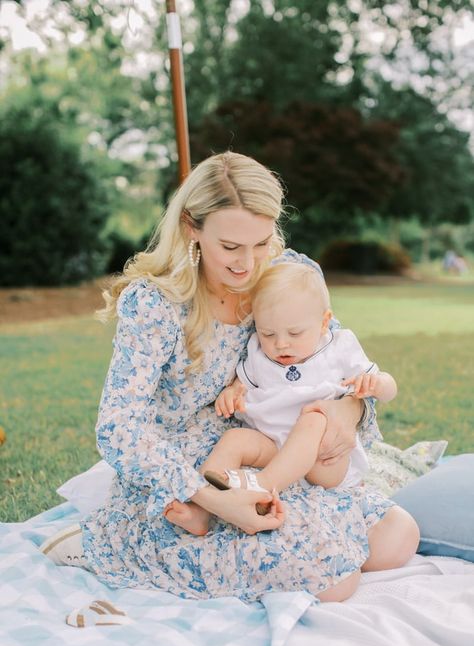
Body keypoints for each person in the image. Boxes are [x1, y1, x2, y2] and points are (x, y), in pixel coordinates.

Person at [40, 152, 419, 603]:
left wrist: (342, 410)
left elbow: (329, 358)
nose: (247, 264)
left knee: (398, 536)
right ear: (191, 228)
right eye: (230, 247)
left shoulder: (284, 275)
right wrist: (214, 499)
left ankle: (280, 529)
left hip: (269, 444)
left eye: (260, 243)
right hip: (190, 469)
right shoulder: (156, 305)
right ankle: (112, 544)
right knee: (336, 579)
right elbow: (117, 428)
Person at [165, 261, 397, 535]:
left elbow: (389, 389)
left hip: (326, 458)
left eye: (295, 333)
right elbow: (243, 381)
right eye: (268, 333)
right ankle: (203, 510)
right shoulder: (259, 353)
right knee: (234, 440)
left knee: (314, 416)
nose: (281, 344)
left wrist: (376, 383)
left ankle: (263, 484)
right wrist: (233, 392)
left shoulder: (338, 346)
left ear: (324, 322)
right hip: (276, 447)